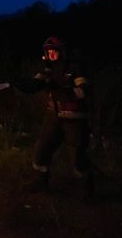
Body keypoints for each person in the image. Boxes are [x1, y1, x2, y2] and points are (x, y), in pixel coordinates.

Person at [13, 36, 94, 198]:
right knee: (41, 149)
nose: (51, 55)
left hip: (75, 119)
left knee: (77, 156)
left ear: (61, 52)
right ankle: (40, 182)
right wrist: (20, 83)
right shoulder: (48, 70)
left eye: (54, 52)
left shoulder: (74, 68)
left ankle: (86, 189)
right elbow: (35, 85)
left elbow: (83, 91)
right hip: (54, 116)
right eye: (48, 52)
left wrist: (61, 92)